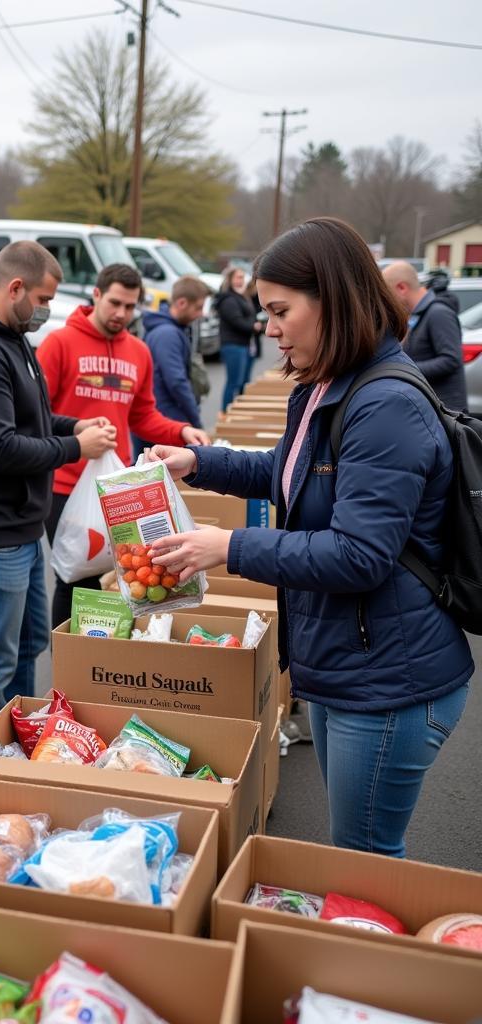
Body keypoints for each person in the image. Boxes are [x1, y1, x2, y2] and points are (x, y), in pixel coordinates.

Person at [146, 217, 472, 858]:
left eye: (279, 311)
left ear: (333, 299)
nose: (268, 328)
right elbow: (291, 474)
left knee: (364, 858)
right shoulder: (330, 383)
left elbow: (359, 554)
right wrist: (201, 464)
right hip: (349, 663)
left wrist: (228, 549)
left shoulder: (385, 405)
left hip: (390, 680)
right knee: (353, 851)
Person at [0, 241, 118, 705]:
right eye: (43, 300)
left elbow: (29, 420)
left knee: (25, 650)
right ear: (15, 287)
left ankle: (11, 755)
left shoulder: (11, 341)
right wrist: (76, 446)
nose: (46, 310)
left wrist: (73, 424)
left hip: (18, 530)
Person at [38, 263, 209, 627]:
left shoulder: (139, 351)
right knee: (76, 577)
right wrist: (73, 440)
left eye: (130, 307)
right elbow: (36, 414)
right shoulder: (59, 344)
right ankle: (69, 661)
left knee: (125, 573)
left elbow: (143, 416)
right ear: (96, 295)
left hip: (119, 488)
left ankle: (100, 655)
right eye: (115, 303)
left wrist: (181, 431)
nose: (122, 314)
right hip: (65, 483)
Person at [382, 261, 467, 410]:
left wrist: (404, 369)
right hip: (433, 406)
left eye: (388, 294)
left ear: (402, 288)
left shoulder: (438, 313)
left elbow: (451, 359)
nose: (388, 302)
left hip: (448, 411)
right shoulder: (418, 314)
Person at [140, 274, 212, 427]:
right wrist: (195, 421)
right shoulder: (168, 335)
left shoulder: (169, 330)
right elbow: (177, 382)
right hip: (167, 418)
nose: (200, 314)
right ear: (181, 303)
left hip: (163, 416)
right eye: (198, 308)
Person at [215, 265, 264, 410]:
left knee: (243, 382)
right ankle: (225, 414)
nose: (240, 281)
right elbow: (236, 321)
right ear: (229, 280)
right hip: (233, 346)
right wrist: (253, 326)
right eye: (237, 277)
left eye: (242, 277)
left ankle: (238, 412)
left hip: (245, 345)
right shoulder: (228, 300)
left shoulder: (243, 296)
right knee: (233, 383)